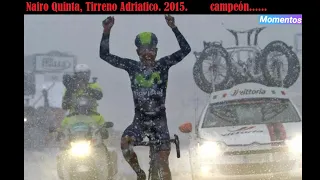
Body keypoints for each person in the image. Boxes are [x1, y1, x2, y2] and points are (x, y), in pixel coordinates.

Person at [100, 15, 191, 180]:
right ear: (137, 52)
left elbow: (186, 50)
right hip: (139, 121)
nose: (147, 53)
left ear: (156, 51)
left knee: (163, 164)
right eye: (143, 50)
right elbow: (105, 55)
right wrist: (107, 31)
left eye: (151, 49)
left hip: (160, 121)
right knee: (125, 143)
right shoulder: (132, 67)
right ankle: (140, 174)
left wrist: (174, 28)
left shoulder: (163, 64)